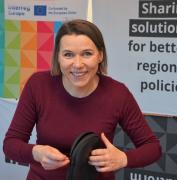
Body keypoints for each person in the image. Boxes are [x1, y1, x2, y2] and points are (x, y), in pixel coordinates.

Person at [3, 19, 162, 180]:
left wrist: (124, 158)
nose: (77, 64)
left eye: (87, 53)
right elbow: (10, 145)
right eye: (68, 54)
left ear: (100, 55)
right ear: (58, 56)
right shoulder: (38, 85)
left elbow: (153, 148)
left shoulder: (118, 93)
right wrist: (36, 153)